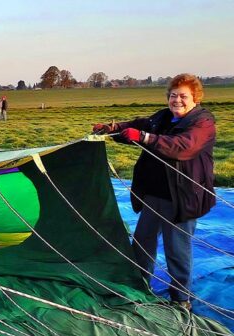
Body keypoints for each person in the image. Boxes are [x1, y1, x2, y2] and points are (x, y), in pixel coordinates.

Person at [92, 73, 216, 310]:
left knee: (176, 249)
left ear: (195, 98)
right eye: (172, 95)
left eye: (183, 96)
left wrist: (145, 138)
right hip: (154, 193)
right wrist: (113, 128)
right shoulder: (163, 117)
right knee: (143, 241)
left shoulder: (202, 123)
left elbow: (183, 147)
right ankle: (138, 286)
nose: (176, 100)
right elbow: (141, 125)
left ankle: (181, 299)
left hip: (182, 197)